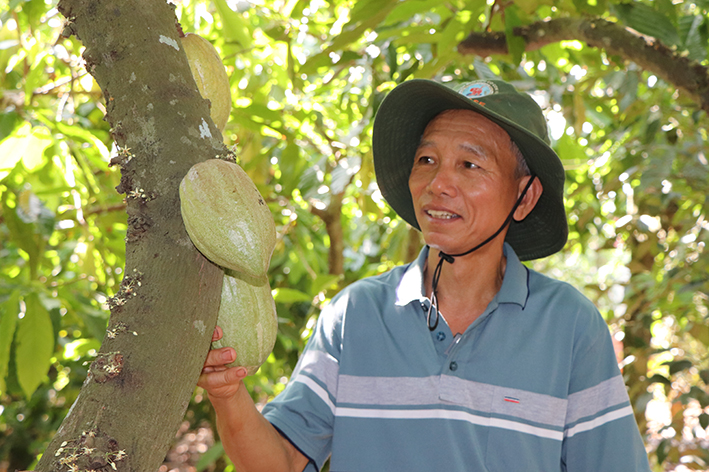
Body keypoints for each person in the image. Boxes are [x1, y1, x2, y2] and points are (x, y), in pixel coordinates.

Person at [198, 79, 652, 472]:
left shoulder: (569, 326)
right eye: (427, 161)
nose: (438, 184)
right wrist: (228, 394)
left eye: (470, 165)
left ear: (525, 195)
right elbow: (279, 461)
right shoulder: (354, 316)